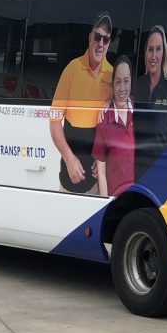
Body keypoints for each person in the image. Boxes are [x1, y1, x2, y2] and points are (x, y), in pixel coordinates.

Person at [49, 12, 114, 194]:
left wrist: (104, 156)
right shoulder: (72, 69)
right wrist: (69, 158)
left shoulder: (113, 75)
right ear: (90, 37)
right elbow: (54, 121)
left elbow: (118, 125)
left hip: (97, 180)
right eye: (98, 37)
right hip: (69, 176)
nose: (101, 44)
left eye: (106, 39)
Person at [131, 25, 167, 179]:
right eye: (150, 49)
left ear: (164, 53)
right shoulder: (137, 85)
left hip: (161, 171)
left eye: (158, 49)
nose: (154, 55)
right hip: (135, 169)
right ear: (145, 53)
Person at [92, 55, 135, 198]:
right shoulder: (104, 118)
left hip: (140, 197)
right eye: (118, 82)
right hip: (116, 200)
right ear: (112, 84)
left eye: (126, 81)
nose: (122, 88)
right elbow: (101, 172)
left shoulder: (140, 111)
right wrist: (105, 205)